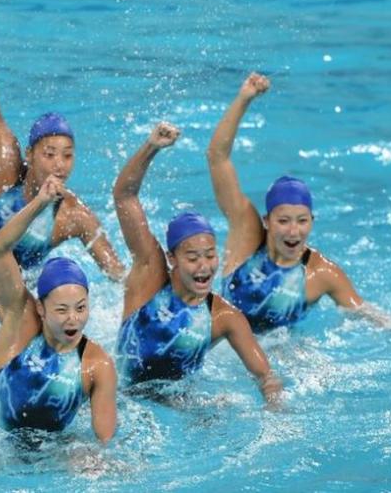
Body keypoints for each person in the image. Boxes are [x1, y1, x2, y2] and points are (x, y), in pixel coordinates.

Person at [206, 73, 391, 333]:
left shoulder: (322, 274)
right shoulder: (246, 233)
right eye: (283, 221)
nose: (293, 231)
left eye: (302, 221)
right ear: (267, 221)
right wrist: (244, 99)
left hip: (282, 349)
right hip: (226, 346)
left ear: (312, 221)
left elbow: (365, 313)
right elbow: (217, 157)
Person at [113, 122, 281, 403]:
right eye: (192, 257)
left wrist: (276, 410)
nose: (204, 266)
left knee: (219, 409)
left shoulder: (223, 317)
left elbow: (265, 375)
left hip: (178, 401)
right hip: (124, 396)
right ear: (172, 258)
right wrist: (151, 147)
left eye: (210, 255)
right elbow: (124, 195)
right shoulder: (150, 276)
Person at [0, 5, 124, 280]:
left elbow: (119, 276)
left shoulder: (72, 215)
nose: (59, 165)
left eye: (67, 156)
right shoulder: (4, 171)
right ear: (30, 154)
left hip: (12, 296)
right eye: (49, 154)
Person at [0, 175, 117, 444]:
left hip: (55, 458)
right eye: (62, 310)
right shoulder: (20, 327)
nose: (73, 319)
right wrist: (40, 202)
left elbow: (105, 442)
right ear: (40, 308)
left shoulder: (96, 364)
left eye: (81, 308)